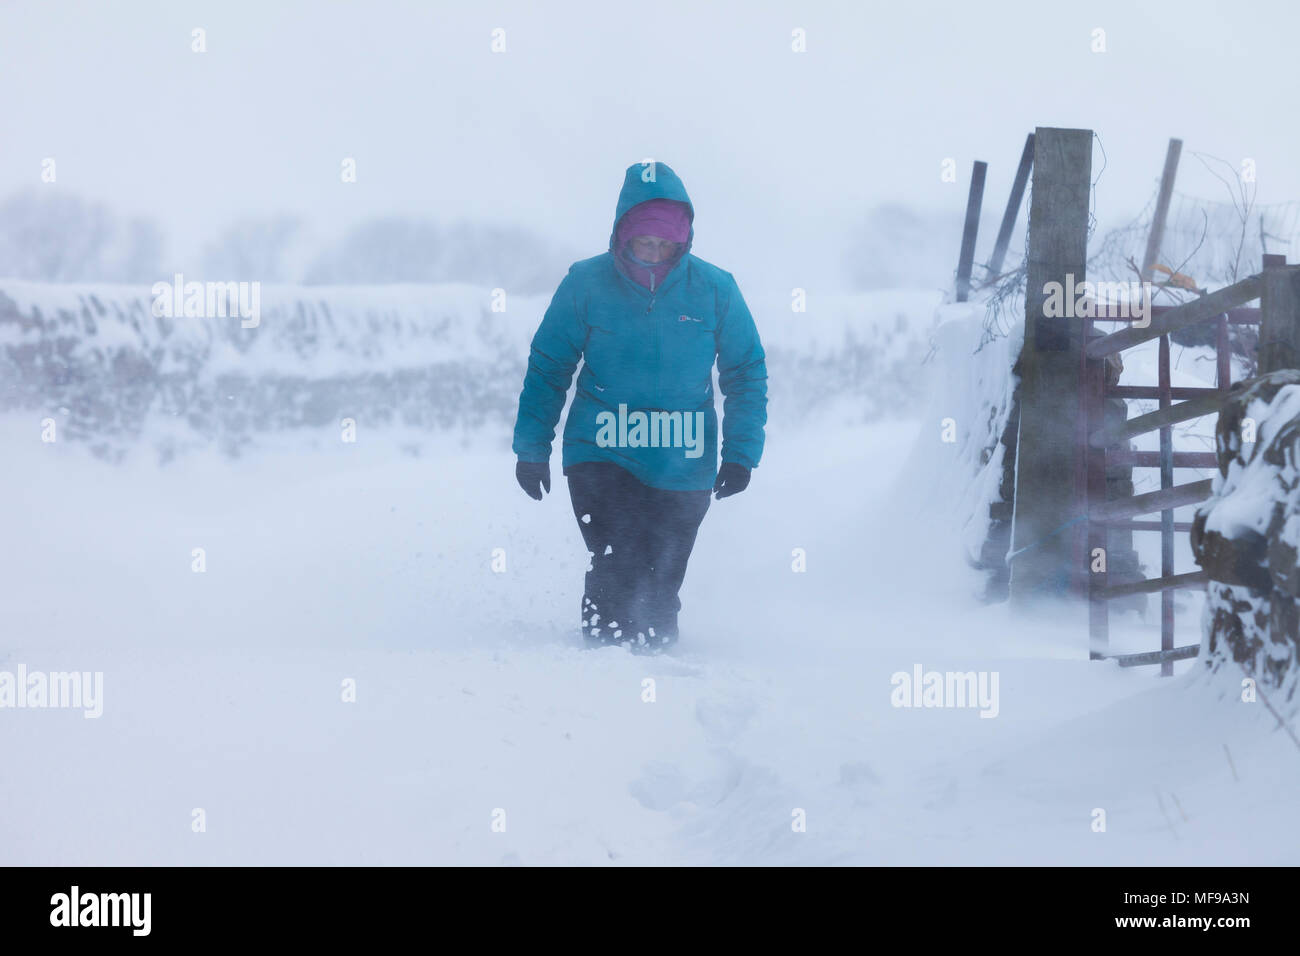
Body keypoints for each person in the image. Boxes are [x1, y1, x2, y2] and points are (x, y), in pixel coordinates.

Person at [512, 161, 768, 652]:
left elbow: (745, 371)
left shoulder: (716, 290)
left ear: (683, 242)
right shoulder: (585, 284)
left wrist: (740, 453)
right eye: (643, 244)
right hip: (602, 449)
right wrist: (531, 447)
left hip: (683, 459)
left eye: (665, 246)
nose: (654, 256)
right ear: (622, 236)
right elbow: (549, 366)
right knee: (616, 559)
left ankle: (657, 662)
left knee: (663, 573)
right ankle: (601, 660)